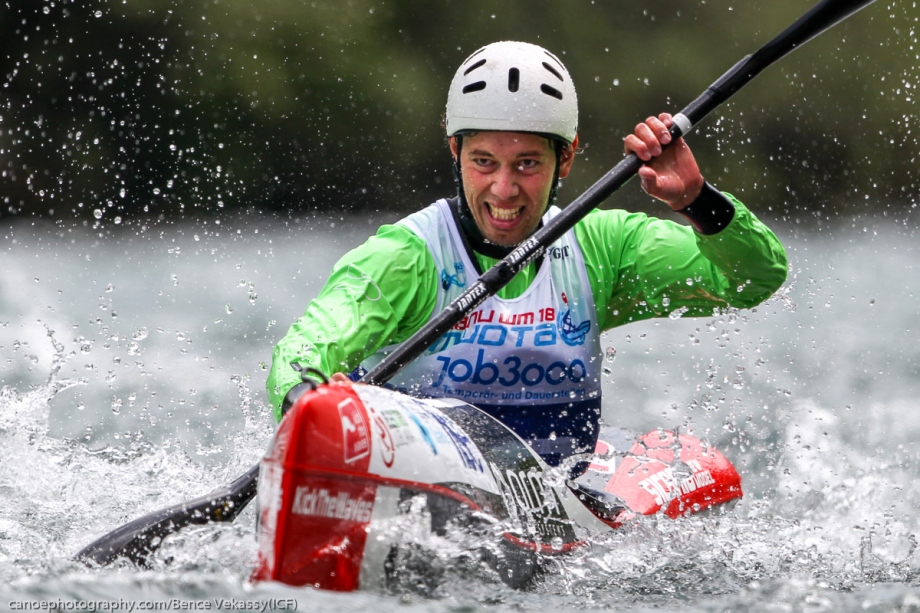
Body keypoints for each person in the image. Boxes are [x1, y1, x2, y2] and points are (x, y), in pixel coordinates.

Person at [266, 41, 787, 471]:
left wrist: (695, 200)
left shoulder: (601, 247)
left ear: (568, 156)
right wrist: (305, 402)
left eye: (528, 163)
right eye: (484, 161)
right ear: (455, 152)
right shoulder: (407, 256)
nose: (504, 189)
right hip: (413, 480)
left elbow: (754, 278)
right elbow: (307, 348)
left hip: (558, 490)